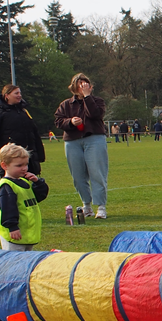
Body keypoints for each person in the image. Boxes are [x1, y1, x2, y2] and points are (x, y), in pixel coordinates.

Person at [54, 73, 109, 219]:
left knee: (97, 173)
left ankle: (101, 207)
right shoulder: (66, 104)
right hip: (72, 141)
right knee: (78, 176)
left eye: (85, 84)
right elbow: (58, 121)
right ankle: (87, 205)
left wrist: (87, 97)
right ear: (74, 87)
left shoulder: (97, 101)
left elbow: (95, 114)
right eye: (80, 84)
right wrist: (70, 122)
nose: (82, 87)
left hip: (94, 138)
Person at [0, 143, 49, 252]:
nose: (24, 168)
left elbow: (39, 197)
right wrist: (12, 227)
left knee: (25, 262)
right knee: (14, 262)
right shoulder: (6, 186)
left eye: (26, 164)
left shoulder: (24, 182)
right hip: (14, 235)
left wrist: (38, 183)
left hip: (26, 234)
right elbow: (7, 208)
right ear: (4, 165)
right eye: (19, 166)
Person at [0, 84, 46, 178]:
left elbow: (34, 133)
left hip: (29, 156)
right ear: (7, 95)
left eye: (20, 93)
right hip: (11, 157)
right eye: (16, 93)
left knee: (32, 187)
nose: (19, 95)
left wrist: (39, 154)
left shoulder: (24, 112)